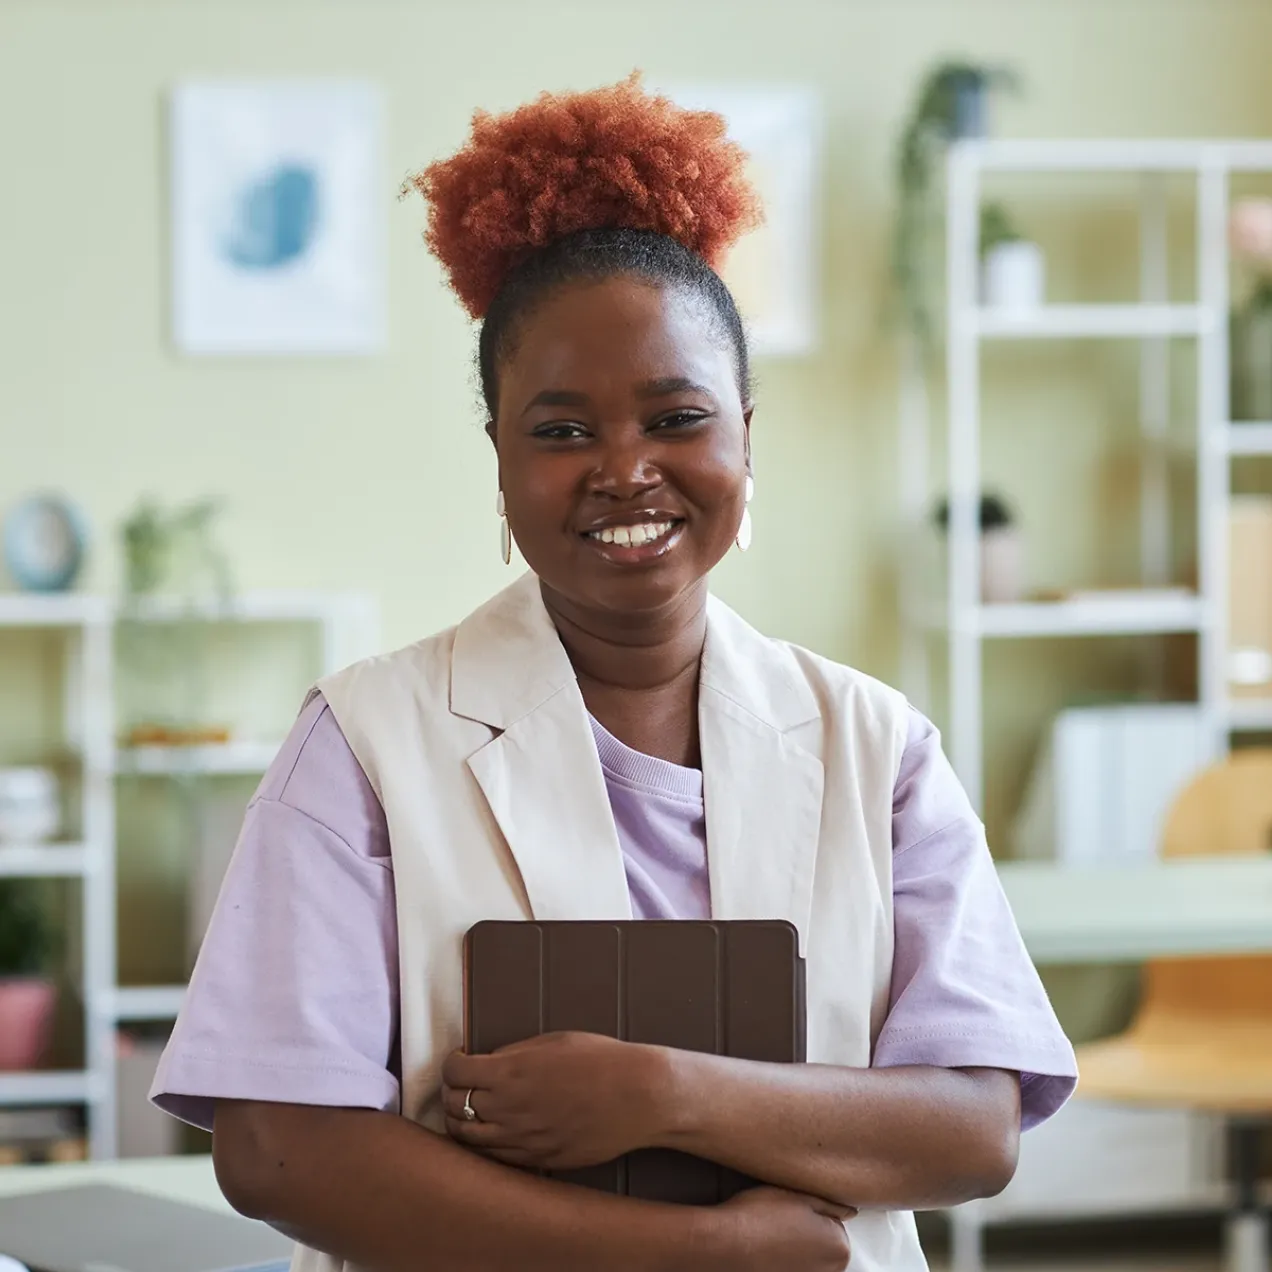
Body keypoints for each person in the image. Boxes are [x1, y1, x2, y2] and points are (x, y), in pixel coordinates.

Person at [151, 76, 1076, 1272]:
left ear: (747, 433)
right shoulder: (366, 741)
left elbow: (974, 1124)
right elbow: (278, 1147)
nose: (625, 470)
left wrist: (669, 1093)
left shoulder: (875, 745)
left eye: (677, 417)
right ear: (499, 459)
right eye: (562, 430)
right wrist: (700, 1256)